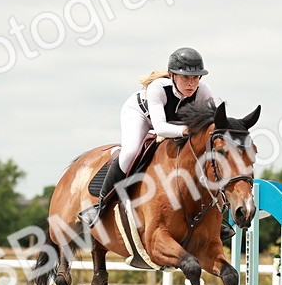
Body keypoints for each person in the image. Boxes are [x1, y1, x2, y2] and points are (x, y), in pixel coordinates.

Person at [80, 47, 217, 228]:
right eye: (185, 77)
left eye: (196, 77)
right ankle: (100, 205)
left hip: (175, 123)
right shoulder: (158, 88)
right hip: (142, 115)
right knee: (130, 152)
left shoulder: (203, 91)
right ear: (172, 75)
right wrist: (187, 131)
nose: (191, 83)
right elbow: (160, 128)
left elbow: (214, 124)